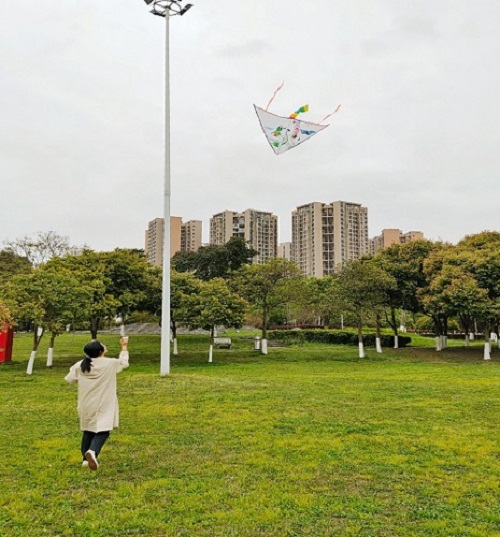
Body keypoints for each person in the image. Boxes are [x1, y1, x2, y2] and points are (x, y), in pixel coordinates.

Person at [65, 337, 129, 470]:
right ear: (101, 351)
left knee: (88, 430)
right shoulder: (109, 363)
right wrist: (124, 346)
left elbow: (70, 379)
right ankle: (92, 451)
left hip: (86, 403)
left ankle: (85, 461)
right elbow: (124, 363)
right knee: (104, 430)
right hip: (104, 403)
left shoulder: (80, 365)